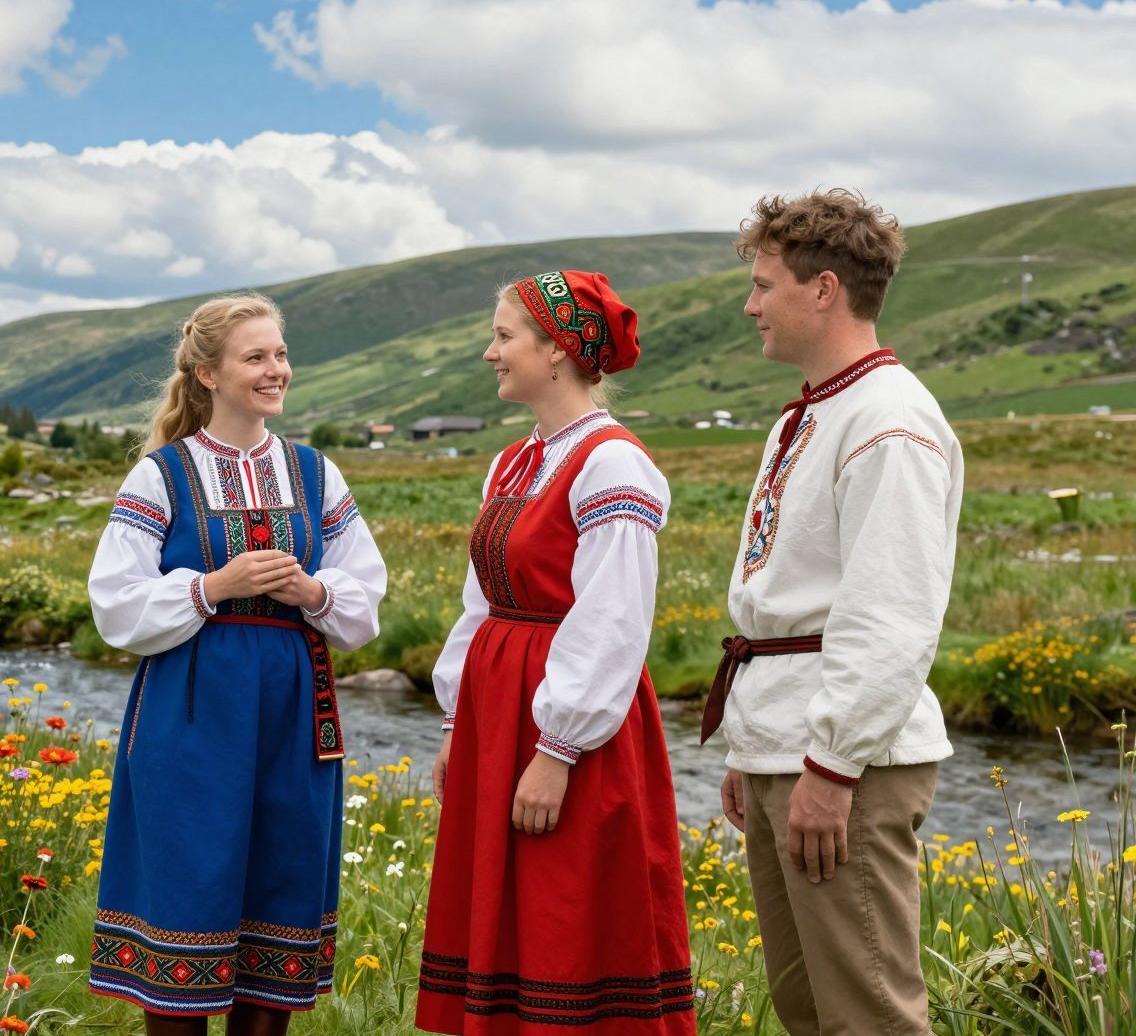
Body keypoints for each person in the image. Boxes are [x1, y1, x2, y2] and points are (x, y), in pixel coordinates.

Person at [86, 292, 387, 1035]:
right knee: (188, 896)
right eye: (256, 357)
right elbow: (115, 605)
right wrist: (212, 587)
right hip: (190, 714)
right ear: (208, 375)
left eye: (280, 354)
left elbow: (364, 597)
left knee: (281, 895)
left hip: (291, 714)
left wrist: (312, 591)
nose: (276, 369)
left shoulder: (315, 473)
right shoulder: (160, 475)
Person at [706, 189, 961, 1035]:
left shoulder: (889, 422)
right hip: (790, 741)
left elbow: (892, 611)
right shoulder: (821, 409)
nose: (751, 306)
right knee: (808, 1007)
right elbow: (787, 600)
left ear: (823, 290)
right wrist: (754, 745)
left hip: (844, 761)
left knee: (869, 1014)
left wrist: (834, 764)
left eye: (763, 285)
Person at [417, 271, 694, 1034]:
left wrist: (558, 748)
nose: (490, 353)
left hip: (566, 725)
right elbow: (481, 601)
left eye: (504, 336)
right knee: (504, 905)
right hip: (498, 710)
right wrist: (456, 724)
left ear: (559, 350)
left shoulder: (612, 463)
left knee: (565, 905)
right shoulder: (513, 461)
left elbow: (612, 620)